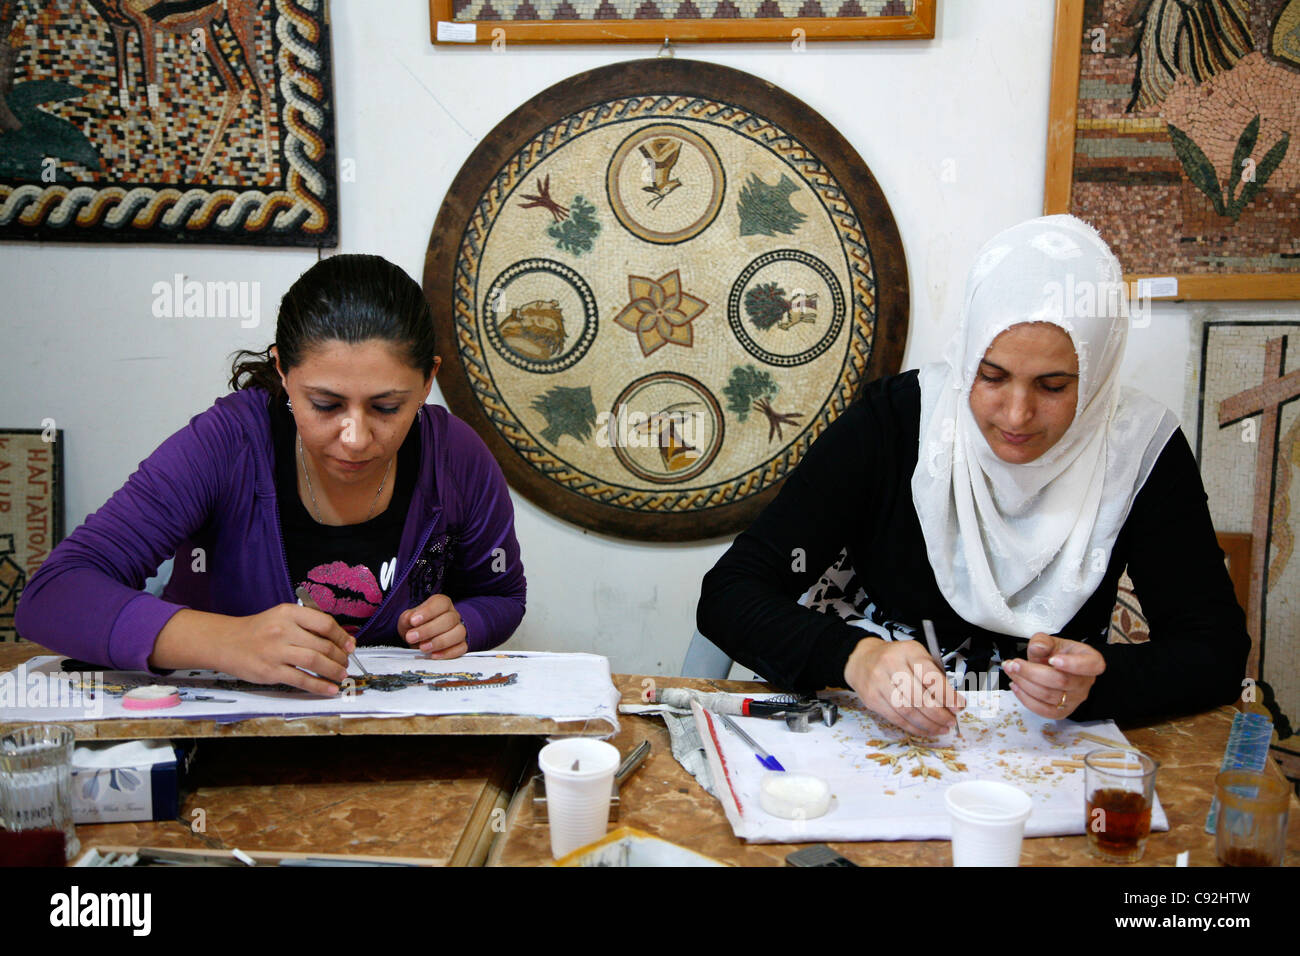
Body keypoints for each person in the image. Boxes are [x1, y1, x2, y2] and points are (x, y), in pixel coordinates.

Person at [696, 215, 1248, 733]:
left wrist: (1096, 684)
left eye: (1053, 386)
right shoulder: (893, 424)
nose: (1015, 415)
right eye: (991, 376)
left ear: (1099, 373)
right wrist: (857, 658)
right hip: (876, 736)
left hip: (1041, 755)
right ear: (966, 359)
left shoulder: (1138, 448)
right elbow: (730, 593)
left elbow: (1215, 651)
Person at [15, 254, 526, 695]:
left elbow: (502, 595)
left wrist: (464, 624)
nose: (355, 436)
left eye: (388, 407)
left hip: (387, 756)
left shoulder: (454, 455)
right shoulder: (228, 443)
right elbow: (53, 595)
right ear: (282, 370)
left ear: (428, 380)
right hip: (217, 756)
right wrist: (227, 642)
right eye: (324, 404)